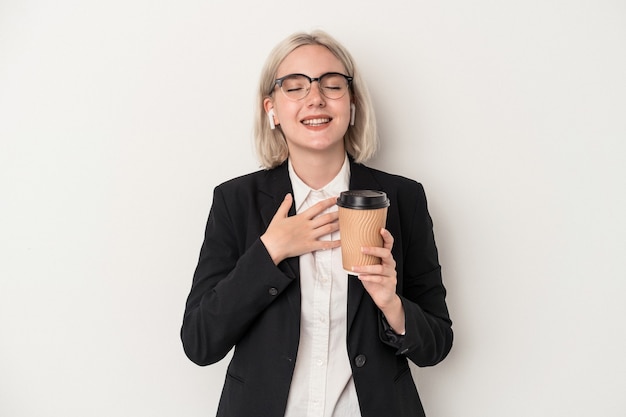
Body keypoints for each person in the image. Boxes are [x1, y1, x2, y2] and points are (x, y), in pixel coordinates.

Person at [181, 30, 453, 417]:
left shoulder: (402, 198)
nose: (315, 98)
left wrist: (392, 304)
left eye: (332, 84)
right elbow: (199, 341)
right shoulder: (235, 201)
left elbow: (437, 344)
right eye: (294, 87)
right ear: (271, 108)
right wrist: (269, 252)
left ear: (352, 103)